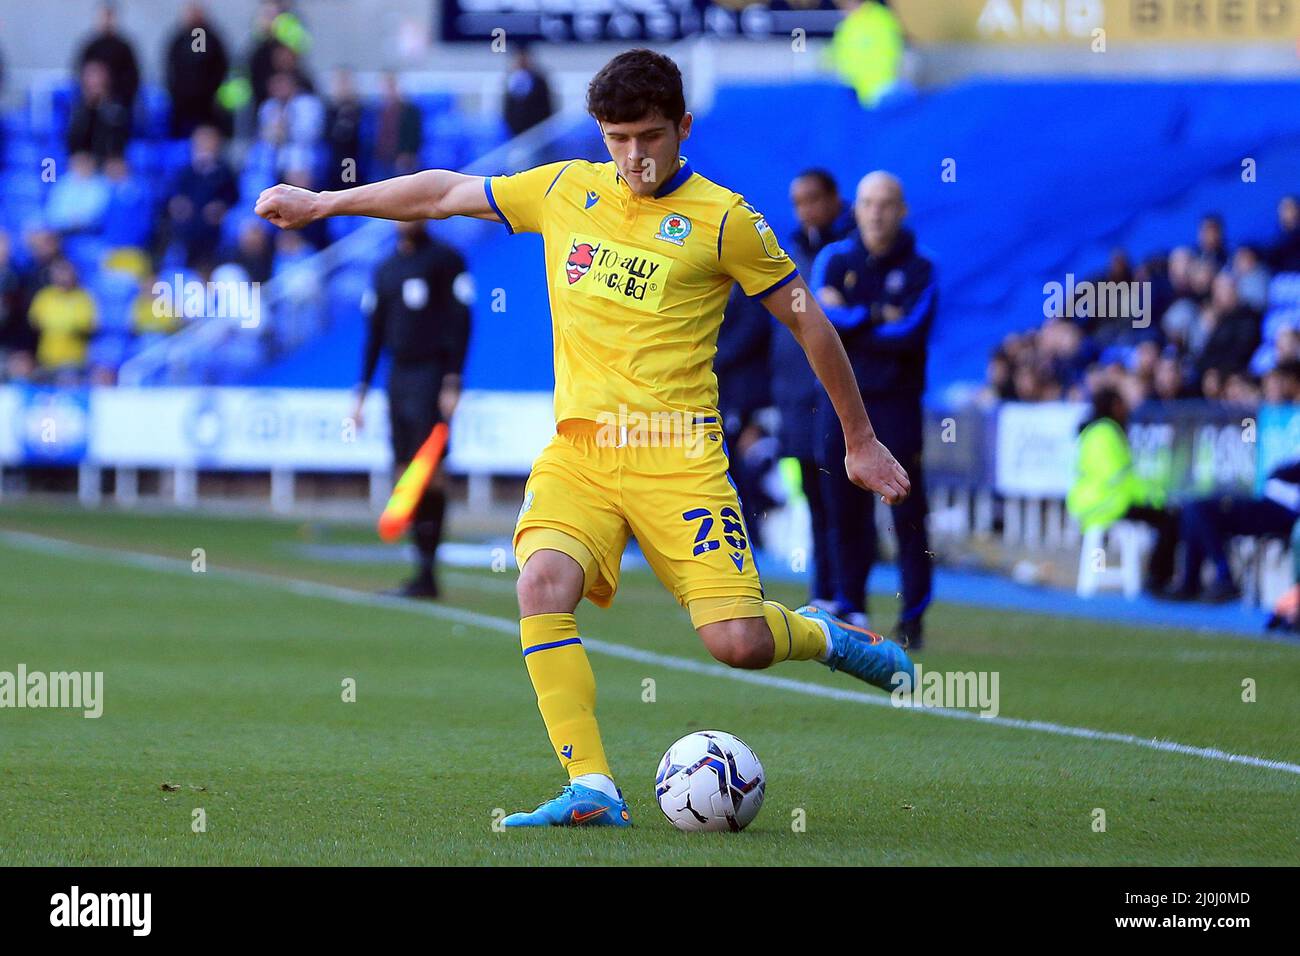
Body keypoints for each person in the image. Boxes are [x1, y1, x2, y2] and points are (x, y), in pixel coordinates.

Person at [256, 48, 914, 829]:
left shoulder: (727, 220)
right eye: (617, 137)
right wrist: (325, 203)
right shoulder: (565, 186)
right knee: (539, 585)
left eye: (650, 136)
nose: (633, 157)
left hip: (681, 457)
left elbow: (811, 324)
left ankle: (823, 634)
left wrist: (860, 438)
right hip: (582, 450)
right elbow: (441, 192)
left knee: (737, 642)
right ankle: (594, 786)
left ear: (683, 128)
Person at [810, 171, 936, 649]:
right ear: (856, 209)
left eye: (886, 203)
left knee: (906, 513)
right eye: (868, 203)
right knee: (842, 511)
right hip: (842, 404)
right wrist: (877, 313)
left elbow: (909, 331)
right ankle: (850, 608)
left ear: (901, 209)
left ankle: (914, 616)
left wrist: (855, 317)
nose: (877, 212)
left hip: (897, 406)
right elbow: (826, 319)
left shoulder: (923, 267)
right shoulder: (833, 259)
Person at [353, 220, 473, 599]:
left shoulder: (446, 260)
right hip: (398, 378)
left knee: (431, 472)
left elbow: (461, 320)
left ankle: (428, 572)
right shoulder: (385, 269)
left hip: (432, 375)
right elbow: (374, 333)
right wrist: (361, 391)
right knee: (405, 472)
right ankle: (420, 570)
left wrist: (452, 378)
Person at [773, 168, 855, 607]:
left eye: (811, 200)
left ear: (832, 199)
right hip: (795, 395)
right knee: (816, 501)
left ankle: (849, 595)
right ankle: (824, 592)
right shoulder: (788, 251)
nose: (805, 210)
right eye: (798, 201)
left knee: (842, 502)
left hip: (837, 396)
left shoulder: (850, 250)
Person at [1066, 386, 1179, 594]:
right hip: (1108, 502)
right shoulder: (1108, 432)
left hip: (1088, 502)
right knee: (1169, 519)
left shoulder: (1091, 432)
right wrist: (1157, 497)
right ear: (1114, 406)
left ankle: (1101, 579)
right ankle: (1158, 579)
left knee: (1102, 543)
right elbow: (1120, 478)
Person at [1173, 457, 1300, 603]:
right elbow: (1275, 475)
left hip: (1278, 514)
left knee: (1198, 510)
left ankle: (1218, 576)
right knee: (1193, 509)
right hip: (1262, 503)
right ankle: (1194, 580)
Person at [164, 2, 231, 137]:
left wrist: (210, 89)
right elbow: (171, 67)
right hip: (182, 102)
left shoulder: (210, 39)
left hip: (207, 102)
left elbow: (219, 66)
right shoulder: (179, 39)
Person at [502, 43, 554, 138]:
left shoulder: (540, 80)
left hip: (536, 134)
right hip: (514, 134)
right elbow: (507, 109)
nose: (521, 61)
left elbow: (547, 109)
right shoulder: (510, 79)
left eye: (524, 57)